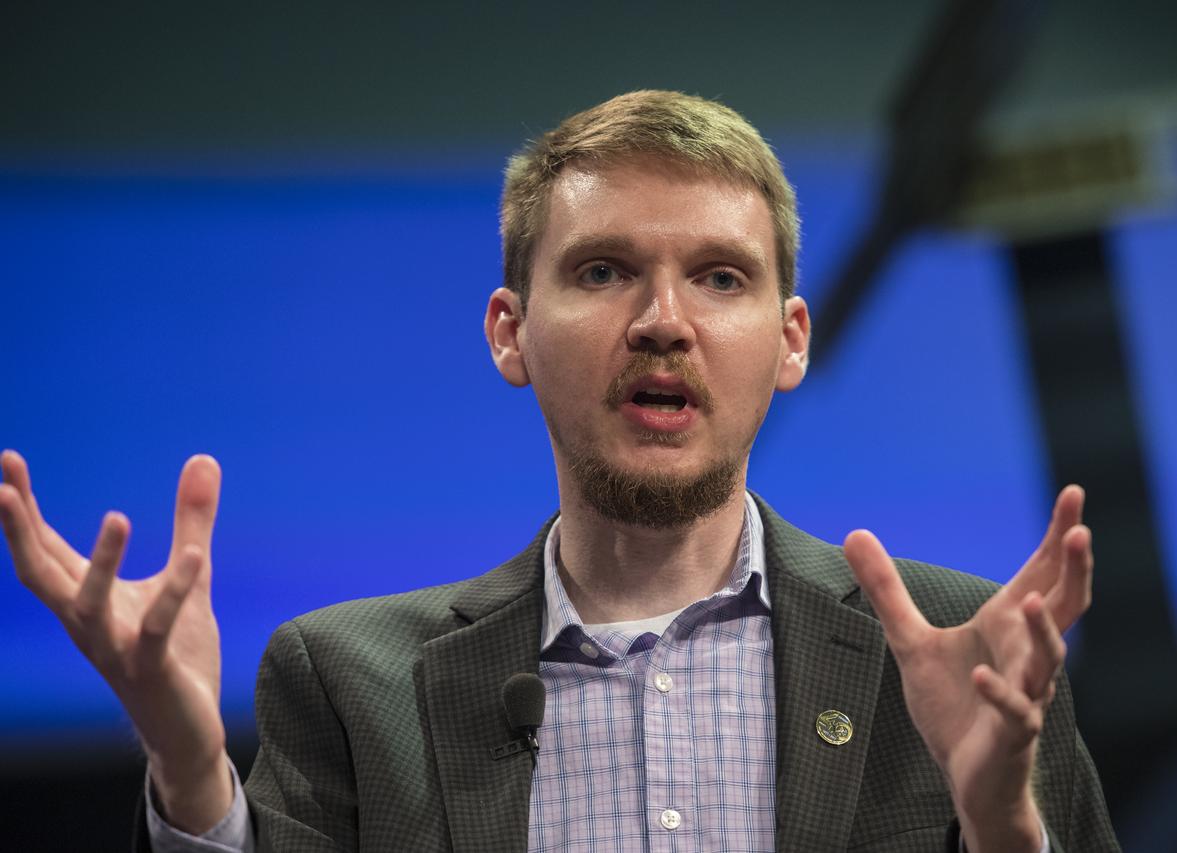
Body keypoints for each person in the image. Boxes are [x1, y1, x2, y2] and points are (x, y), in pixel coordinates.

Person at [0, 91, 1118, 852]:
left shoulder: (961, 651)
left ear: (789, 340)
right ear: (509, 331)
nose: (662, 322)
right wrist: (193, 773)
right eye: (601, 269)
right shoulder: (347, 682)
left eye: (719, 278)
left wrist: (1004, 830)